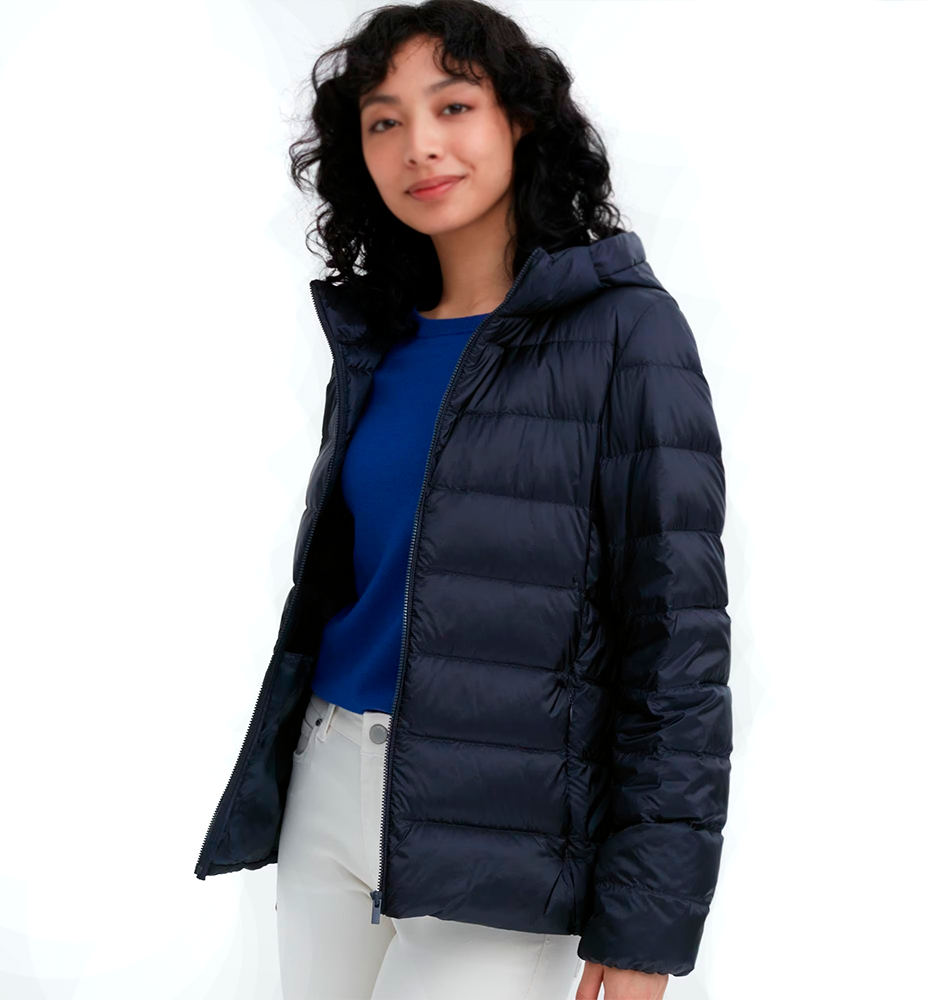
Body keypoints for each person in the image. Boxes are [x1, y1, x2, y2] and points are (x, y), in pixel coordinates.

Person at [193, 2, 732, 998]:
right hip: (328, 784)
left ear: (519, 120)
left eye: (452, 106)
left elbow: (677, 641)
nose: (419, 145)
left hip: (504, 825)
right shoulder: (378, 340)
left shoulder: (628, 332)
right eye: (384, 121)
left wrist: (647, 922)